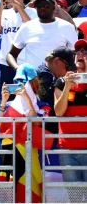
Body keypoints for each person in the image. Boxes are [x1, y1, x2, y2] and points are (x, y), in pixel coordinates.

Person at [0, 64, 50, 203]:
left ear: (33, 82)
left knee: (27, 193)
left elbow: (36, 122)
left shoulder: (43, 105)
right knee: (8, 195)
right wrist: (3, 101)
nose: (19, 85)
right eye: (17, 82)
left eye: (23, 82)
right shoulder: (9, 105)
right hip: (7, 153)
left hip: (26, 153)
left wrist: (27, 99)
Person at [7, 0, 77, 70]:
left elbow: (74, 54)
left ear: (53, 7)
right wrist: (18, 69)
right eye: (39, 6)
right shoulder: (26, 27)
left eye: (46, 6)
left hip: (59, 78)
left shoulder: (67, 27)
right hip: (33, 79)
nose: (42, 9)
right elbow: (11, 55)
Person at [0, 0, 37, 87]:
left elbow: (32, 28)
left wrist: (18, 6)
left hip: (26, 62)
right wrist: (0, 9)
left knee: (27, 96)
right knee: (7, 97)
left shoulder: (33, 12)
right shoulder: (5, 13)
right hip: (5, 62)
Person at [54, 44, 87, 186]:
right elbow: (59, 112)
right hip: (67, 149)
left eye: (85, 52)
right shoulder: (62, 82)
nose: (80, 54)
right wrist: (67, 86)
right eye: (77, 52)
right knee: (74, 196)